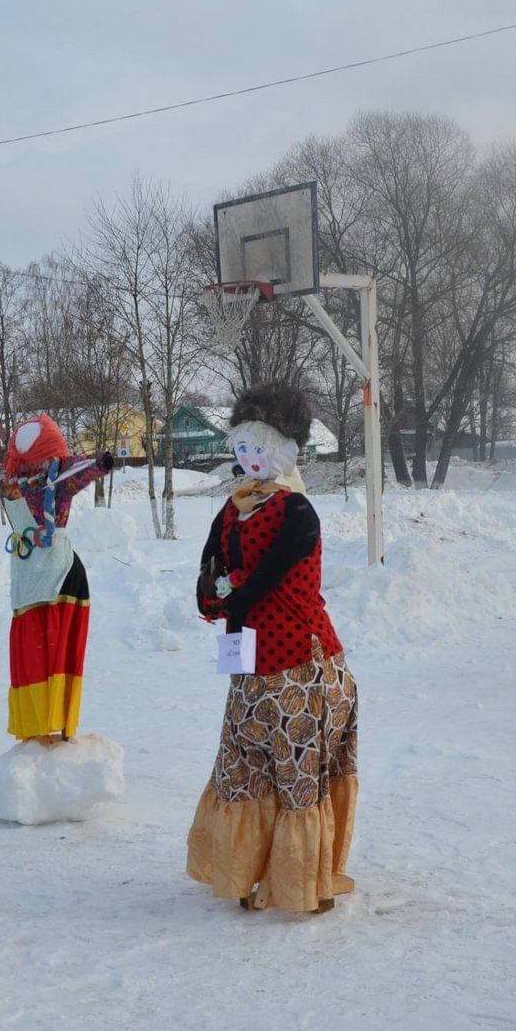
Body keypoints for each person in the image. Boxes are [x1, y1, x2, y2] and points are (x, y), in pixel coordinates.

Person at [186, 384, 359, 914]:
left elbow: (273, 579)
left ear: (282, 450)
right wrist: (210, 594)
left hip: (299, 669)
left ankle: (302, 880)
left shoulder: (297, 511)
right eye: (240, 449)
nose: (248, 460)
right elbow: (209, 566)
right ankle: (244, 871)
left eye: (257, 449)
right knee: (242, 767)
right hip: (250, 667)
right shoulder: (233, 507)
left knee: (297, 775)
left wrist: (232, 593)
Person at [0, 415, 111, 743]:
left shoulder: (58, 479)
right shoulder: (11, 479)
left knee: (53, 651)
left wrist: (101, 463)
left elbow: (84, 470)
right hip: (29, 577)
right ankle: (37, 727)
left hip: (60, 577)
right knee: (34, 652)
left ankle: (55, 724)